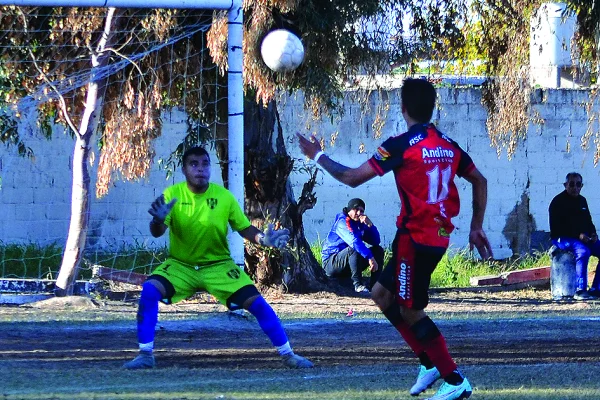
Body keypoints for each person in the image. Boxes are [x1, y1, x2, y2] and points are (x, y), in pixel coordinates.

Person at [297, 78, 492, 400]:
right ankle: (429, 362)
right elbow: (479, 179)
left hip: (416, 239)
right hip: (431, 237)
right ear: (432, 108)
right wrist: (476, 226)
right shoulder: (447, 144)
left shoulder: (401, 144)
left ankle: (455, 380)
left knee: (411, 310)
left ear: (403, 109)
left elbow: (351, 178)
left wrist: (318, 156)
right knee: (381, 294)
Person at [123, 146, 313, 370]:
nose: (200, 169)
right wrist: (157, 221)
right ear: (184, 169)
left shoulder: (224, 197)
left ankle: (288, 354)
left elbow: (244, 228)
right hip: (180, 266)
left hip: (219, 267)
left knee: (258, 304)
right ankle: (145, 354)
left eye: (204, 164)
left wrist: (264, 239)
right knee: (149, 290)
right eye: (194, 164)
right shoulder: (172, 195)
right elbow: (157, 231)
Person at [549, 172, 600, 300]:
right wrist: (578, 235)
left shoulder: (582, 201)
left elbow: (588, 221)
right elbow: (558, 227)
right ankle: (580, 290)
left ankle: (596, 288)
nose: (575, 187)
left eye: (578, 184)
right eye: (571, 184)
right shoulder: (557, 202)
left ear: (581, 186)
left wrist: (593, 234)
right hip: (562, 238)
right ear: (565, 185)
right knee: (583, 251)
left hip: (582, 237)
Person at [321, 198, 384, 293]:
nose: (359, 213)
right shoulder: (342, 222)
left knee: (378, 250)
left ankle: (374, 287)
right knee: (354, 248)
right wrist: (370, 257)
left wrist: (370, 225)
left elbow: (376, 241)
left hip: (349, 262)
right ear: (349, 210)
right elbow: (354, 242)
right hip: (331, 263)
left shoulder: (360, 223)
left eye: (362, 211)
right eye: (356, 209)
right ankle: (358, 286)